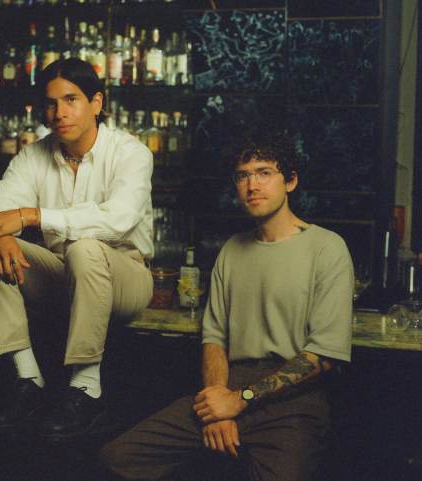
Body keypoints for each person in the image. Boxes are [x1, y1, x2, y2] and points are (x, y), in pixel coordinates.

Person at [101, 132, 354, 480]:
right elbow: (214, 337)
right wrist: (218, 403)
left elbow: (323, 355)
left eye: (264, 172)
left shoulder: (327, 248)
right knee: (118, 457)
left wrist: (240, 400)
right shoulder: (232, 250)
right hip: (228, 385)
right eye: (243, 175)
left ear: (290, 181)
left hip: (292, 402)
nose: (253, 185)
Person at [0, 58, 154, 440]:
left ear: (96, 103)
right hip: (62, 274)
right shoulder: (33, 155)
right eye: (51, 103)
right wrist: (1, 235)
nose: (59, 113)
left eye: (71, 100)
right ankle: (28, 380)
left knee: (84, 248)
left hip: (126, 277)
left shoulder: (130, 153)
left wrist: (32, 215)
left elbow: (118, 219)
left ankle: (86, 387)